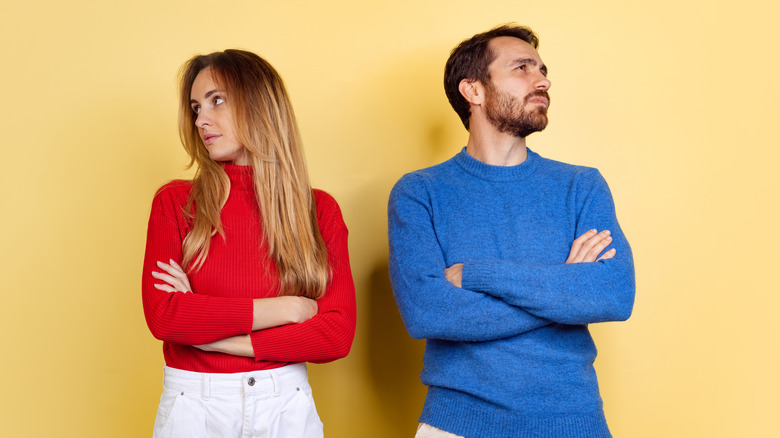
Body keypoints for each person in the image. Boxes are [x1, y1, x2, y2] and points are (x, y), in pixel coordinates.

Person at [388, 24, 635, 438]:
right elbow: (428, 313)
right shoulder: (419, 193)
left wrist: (482, 276)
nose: (543, 80)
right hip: (456, 424)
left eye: (541, 69)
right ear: (474, 91)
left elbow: (613, 295)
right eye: (522, 68)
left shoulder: (581, 185)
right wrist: (563, 288)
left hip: (572, 423)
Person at [142, 49, 356, 438]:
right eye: (195, 107)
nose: (200, 120)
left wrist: (217, 338)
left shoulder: (318, 210)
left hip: (284, 404)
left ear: (260, 106)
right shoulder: (175, 203)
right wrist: (285, 308)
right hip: (194, 405)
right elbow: (165, 316)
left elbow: (335, 336)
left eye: (216, 100)